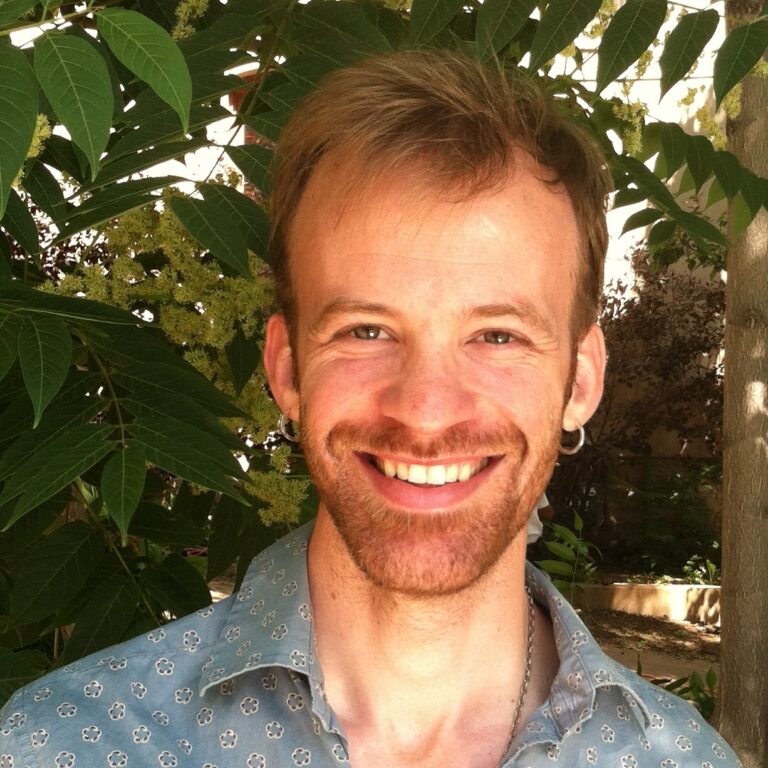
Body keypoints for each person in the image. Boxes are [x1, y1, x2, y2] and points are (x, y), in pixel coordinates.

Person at [0, 50, 740, 768]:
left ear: (580, 380)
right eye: (366, 331)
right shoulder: (62, 747)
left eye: (497, 335)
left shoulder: (681, 762)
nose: (425, 411)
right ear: (287, 369)